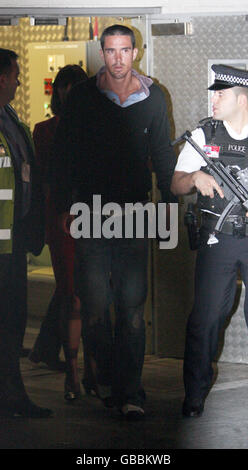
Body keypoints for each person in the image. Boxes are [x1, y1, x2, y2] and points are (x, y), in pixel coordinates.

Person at [51, 24, 177, 420]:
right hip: (90, 214)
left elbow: (161, 154)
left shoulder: (154, 97)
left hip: (135, 215)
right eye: (110, 51)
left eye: (125, 50)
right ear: (102, 53)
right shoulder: (85, 97)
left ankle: (131, 391)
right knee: (94, 308)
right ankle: (104, 379)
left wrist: (170, 204)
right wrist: (63, 206)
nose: (118, 58)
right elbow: (64, 154)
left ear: (135, 52)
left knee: (132, 310)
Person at [171, 64, 248, 418]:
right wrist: (197, 178)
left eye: (221, 94)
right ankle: (195, 393)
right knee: (205, 319)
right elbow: (176, 184)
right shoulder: (204, 135)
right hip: (218, 239)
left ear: (242, 99)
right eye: (214, 92)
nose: (214, 99)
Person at [28, 65, 95, 400]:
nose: (69, 97)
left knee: (90, 297)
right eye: (64, 91)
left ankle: (88, 369)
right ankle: (73, 373)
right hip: (62, 220)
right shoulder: (45, 130)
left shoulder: (96, 128)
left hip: (94, 219)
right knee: (72, 297)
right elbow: (42, 182)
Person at [0, 48, 52, 418]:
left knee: (12, 321)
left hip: (12, 242)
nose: (19, 80)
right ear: (1, 77)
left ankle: (12, 394)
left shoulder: (10, 119)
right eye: (16, 74)